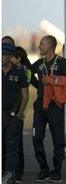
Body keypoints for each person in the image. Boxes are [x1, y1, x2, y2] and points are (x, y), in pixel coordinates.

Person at [30, 36, 66, 183]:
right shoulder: (39, 63)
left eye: (41, 44)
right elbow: (28, 74)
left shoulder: (61, 62)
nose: (39, 46)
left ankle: (56, 172)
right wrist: (40, 86)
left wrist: (54, 81)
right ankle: (44, 169)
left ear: (50, 45)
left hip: (56, 107)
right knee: (36, 138)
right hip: (40, 107)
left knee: (58, 140)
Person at [2, 42, 29, 184]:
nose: (2, 57)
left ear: (11, 56)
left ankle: (10, 174)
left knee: (12, 146)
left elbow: (25, 94)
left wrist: (19, 114)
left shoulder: (19, 73)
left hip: (12, 117)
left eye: (5, 55)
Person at [11, 46, 32, 183]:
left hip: (17, 111)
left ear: (18, 59)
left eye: (12, 56)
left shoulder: (24, 71)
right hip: (12, 110)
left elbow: (24, 94)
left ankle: (17, 173)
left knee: (16, 143)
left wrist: (19, 113)